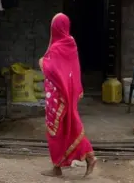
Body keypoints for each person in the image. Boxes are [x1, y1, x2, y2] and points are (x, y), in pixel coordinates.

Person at [38, 13, 96, 178]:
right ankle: (88, 158)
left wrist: (42, 61)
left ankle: (57, 167)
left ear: (54, 28)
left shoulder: (56, 47)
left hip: (57, 96)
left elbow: (53, 70)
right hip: (68, 93)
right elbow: (72, 70)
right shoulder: (71, 43)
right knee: (69, 127)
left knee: (55, 130)